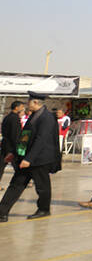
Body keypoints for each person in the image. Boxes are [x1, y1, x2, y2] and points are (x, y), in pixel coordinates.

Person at [0, 92, 61, 221]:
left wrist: (29, 159)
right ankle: (2, 212)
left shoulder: (47, 118)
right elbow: (24, 137)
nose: (27, 105)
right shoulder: (34, 116)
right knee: (16, 184)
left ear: (35, 103)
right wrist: (14, 153)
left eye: (28, 102)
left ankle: (44, 209)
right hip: (27, 158)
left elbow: (41, 140)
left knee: (42, 187)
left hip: (40, 159)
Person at [1, 101, 24, 189]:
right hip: (11, 146)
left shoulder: (8, 117)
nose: (23, 109)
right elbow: (15, 134)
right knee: (18, 165)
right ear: (16, 108)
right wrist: (18, 147)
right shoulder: (14, 118)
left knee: (2, 165)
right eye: (21, 107)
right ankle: (21, 182)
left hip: (6, 144)